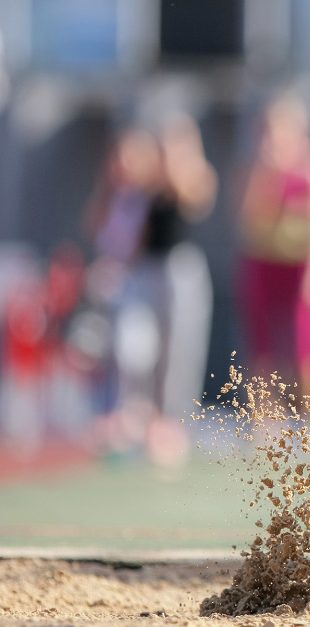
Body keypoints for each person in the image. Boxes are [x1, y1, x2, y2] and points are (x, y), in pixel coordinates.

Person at [85, 114, 217, 466]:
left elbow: (195, 196)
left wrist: (178, 157)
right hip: (146, 272)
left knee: (178, 351)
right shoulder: (143, 187)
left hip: (179, 269)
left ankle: (169, 422)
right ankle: (131, 415)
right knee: (134, 345)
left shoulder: (190, 177)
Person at [236, 94, 310, 399]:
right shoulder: (256, 169)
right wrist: (266, 174)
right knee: (263, 349)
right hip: (264, 262)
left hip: (304, 265)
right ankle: (266, 422)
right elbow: (246, 219)